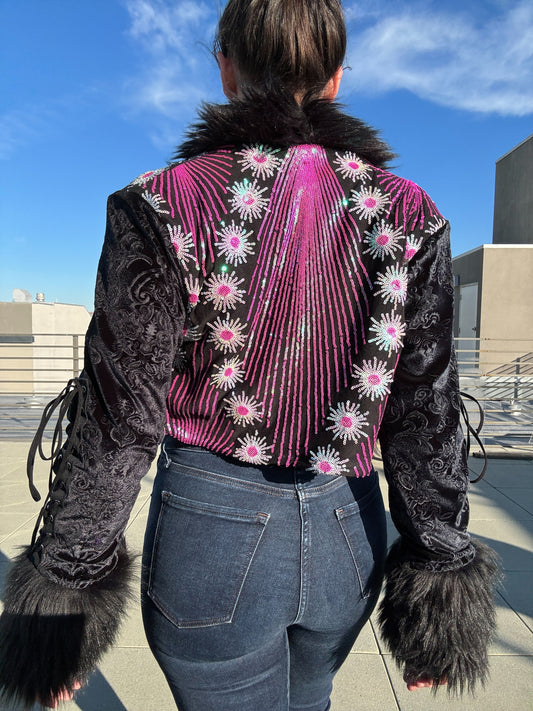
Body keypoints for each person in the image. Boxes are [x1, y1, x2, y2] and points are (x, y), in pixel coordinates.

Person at [0, 1, 499, 709]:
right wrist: (441, 575)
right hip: (346, 527)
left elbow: (119, 419)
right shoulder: (409, 213)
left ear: (226, 68)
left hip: (212, 528)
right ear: (333, 79)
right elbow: (426, 408)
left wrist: (65, 591)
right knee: (310, 699)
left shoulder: (165, 203)